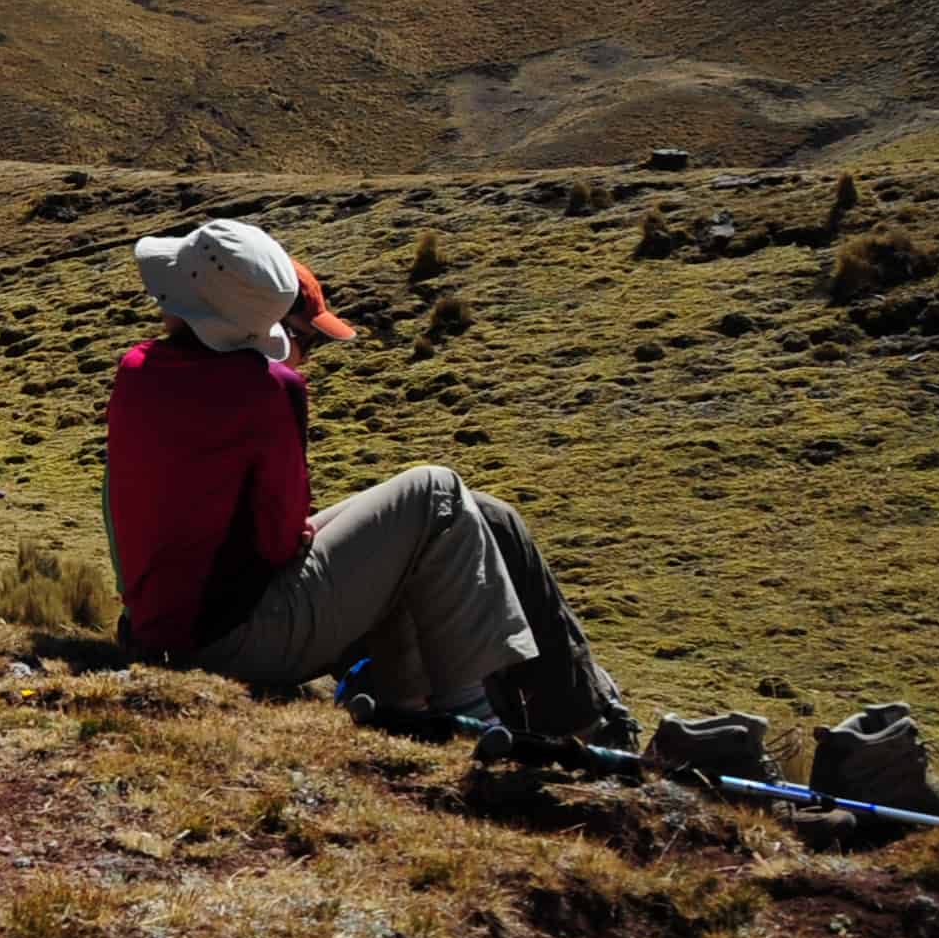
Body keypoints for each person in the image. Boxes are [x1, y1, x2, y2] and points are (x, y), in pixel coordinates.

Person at [103, 218, 619, 734]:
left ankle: (413, 707)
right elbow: (280, 541)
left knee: (441, 521)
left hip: (160, 630)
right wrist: (301, 532)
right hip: (233, 641)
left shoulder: (135, 370)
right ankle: (473, 716)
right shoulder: (268, 390)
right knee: (436, 491)